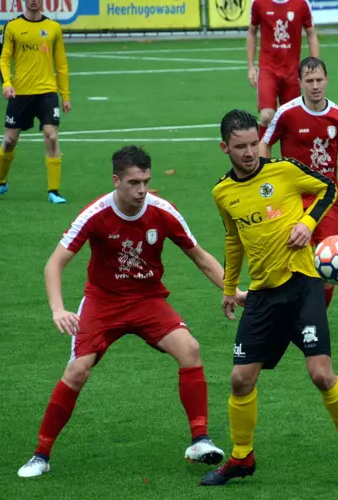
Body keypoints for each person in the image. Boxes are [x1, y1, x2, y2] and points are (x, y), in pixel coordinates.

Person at [16, 145, 246, 478]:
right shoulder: (95, 214)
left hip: (148, 301)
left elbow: (199, 255)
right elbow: (54, 264)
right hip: (103, 302)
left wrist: (232, 290)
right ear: (116, 181)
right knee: (77, 371)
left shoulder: (162, 211)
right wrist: (58, 309)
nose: (141, 191)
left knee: (190, 349)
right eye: (134, 183)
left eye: (146, 182)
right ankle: (41, 455)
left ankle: (200, 440)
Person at [200, 110, 338, 488]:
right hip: (261, 294)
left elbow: (327, 188)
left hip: (303, 284)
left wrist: (307, 224)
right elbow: (232, 239)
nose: (249, 153)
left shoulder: (285, 170)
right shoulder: (222, 193)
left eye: (253, 144)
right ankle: (242, 457)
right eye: (239, 147)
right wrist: (229, 288)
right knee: (241, 380)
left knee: (321, 374)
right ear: (224, 147)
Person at [260, 56, 338, 309]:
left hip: (326, 199)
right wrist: (265, 180)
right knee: (291, 261)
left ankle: (316, 316)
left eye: (319, 80)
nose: (315, 85)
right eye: (310, 80)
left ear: (327, 80)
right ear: (300, 82)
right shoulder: (287, 113)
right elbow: (264, 143)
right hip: (291, 198)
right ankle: (287, 311)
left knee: (329, 260)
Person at [0, 0, 71, 204]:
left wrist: (65, 95)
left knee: (51, 137)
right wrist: (6, 83)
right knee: (9, 141)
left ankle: (54, 191)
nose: (33, 1)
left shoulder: (53, 28)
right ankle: (0, 183)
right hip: (20, 93)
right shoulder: (12, 26)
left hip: (47, 92)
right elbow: (4, 59)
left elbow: (62, 64)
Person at [246, 0, 319, 142]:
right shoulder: (259, 3)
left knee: (292, 122)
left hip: (292, 72)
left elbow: (311, 33)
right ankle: (262, 160)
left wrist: (314, 66)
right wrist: (250, 67)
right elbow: (252, 32)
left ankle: (290, 162)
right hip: (268, 70)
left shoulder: (301, 4)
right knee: (267, 116)